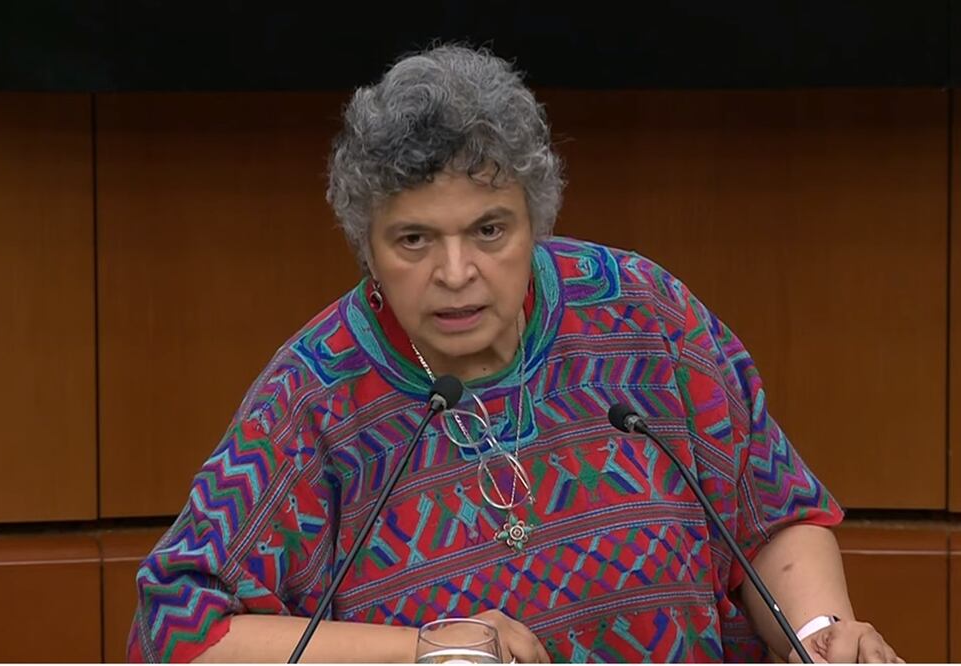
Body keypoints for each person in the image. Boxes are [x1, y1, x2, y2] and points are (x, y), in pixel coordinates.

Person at [127, 44, 902, 663]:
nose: (455, 274)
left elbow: (767, 514)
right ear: (366, 244)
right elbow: (180, 637)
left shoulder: (642, 312)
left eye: (489, 231)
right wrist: (425, 653)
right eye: (414, 239)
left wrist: (817, 637)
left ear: (535, 218)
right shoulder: (314, 397)